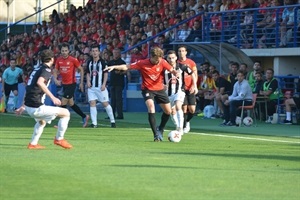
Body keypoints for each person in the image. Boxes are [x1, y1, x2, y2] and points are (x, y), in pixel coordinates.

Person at [104, 47, 178, 141]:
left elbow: (172, 70)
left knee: (168, 112)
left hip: (159, 89)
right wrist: (114, 67)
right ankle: (155, 135)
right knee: (151, 107)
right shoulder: (142, 63)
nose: (158, 61)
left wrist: (176, 73)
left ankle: (161, 129)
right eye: (156, 59)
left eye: (159, 59)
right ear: (151, 57)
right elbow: (127, 67)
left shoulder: (162, 62)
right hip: (147, 89)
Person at [15, 49, 72, 149]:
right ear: (52, 59)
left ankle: (33, 144)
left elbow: (28, 88)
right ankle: (59, 139)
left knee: (42, 122)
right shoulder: (46, 70)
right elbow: (40, 82)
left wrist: (23, 106)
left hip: (29, 106)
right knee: (66, 113)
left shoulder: (36, 69)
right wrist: (53, 97)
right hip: (36, 107)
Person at [53, 42, 89, 127]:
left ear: (68, 51)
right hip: (64, 84)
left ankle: (62, 123)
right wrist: (55, 79)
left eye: (66, 50)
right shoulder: (59, 60)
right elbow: (55, 70)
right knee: (71, 104)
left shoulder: (73, 60)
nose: (64, 52)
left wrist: (80, 83)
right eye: (62, 51)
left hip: (71, 84)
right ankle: (84, 116)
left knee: (63, 103)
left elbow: (81, 69)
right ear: (60, 51)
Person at [165, 50, 194, 135]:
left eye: (173, 58)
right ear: (167, 58)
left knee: (178, 106)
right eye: (169, 58)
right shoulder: (164, 67)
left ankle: (181, 128)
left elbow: (192, 73)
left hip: (179, 91)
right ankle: (177, 125)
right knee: (171, 111)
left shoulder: (182, 66)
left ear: (176, 58)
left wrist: (194, 85)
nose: (171, 60)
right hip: (168, 93)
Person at [86, 45, 116, 128]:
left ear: (99, 52)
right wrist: (88, 81)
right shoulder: (89, 62)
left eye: (96, 51)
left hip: (100, 87)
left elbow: (106, 73)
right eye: (93, 51)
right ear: (91, 52)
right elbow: (88, 73)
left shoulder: (103, 62)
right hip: (91, 88)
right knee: (92, 103)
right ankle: (94, 123)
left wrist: (104, 84)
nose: (95, 52)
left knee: (105, 103)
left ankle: (112, 121)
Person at [177, 45, 198, 134]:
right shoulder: (176, 63)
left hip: (190, 87)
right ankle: (184, 125)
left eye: (183, 51)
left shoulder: (191, 62)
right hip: (181, 89)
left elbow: (195, 75)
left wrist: (194, 85)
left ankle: (188, 121)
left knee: (192, 109)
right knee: (184, 108)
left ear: (186, 52)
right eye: (179, 51)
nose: (181, 52)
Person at [108, 48, 126, 120]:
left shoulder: (122, 62)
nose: (115, 54)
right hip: (112, 82)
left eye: (117, 53)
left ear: (119, 54)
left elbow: (125, 71)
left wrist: (120, 72)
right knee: (112, 99)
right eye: (114, 53)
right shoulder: (111, 62)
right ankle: (112, 115)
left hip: (119, 83)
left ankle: (120, 115)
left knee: (118, 99)